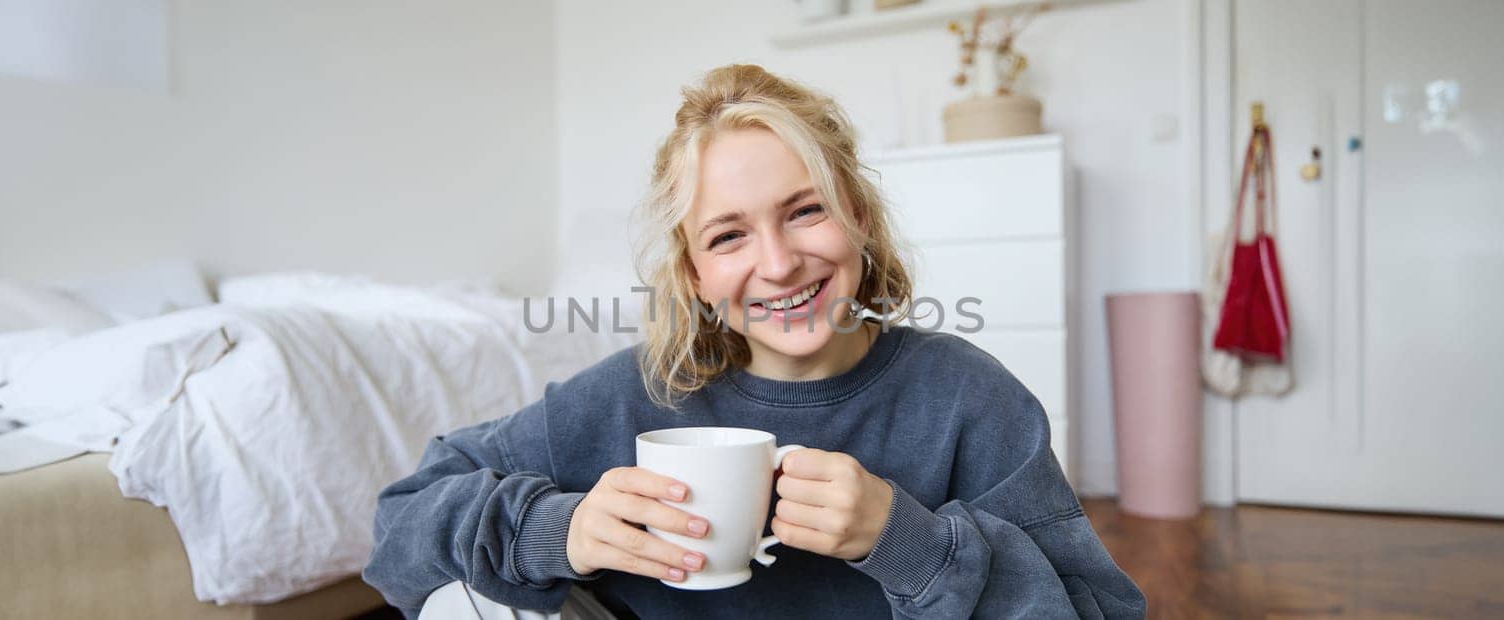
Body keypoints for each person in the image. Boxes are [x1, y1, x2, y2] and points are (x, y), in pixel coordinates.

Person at [363, 64, 1146, 619]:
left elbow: (1097, 610)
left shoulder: (969, 400)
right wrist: (557, 531)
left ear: (859, 218)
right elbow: (400, 526)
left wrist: (908, 543)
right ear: (695, 273)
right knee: (466, 605)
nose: (777, 264)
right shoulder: (629, 395)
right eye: (729, 235)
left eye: (806, 211)